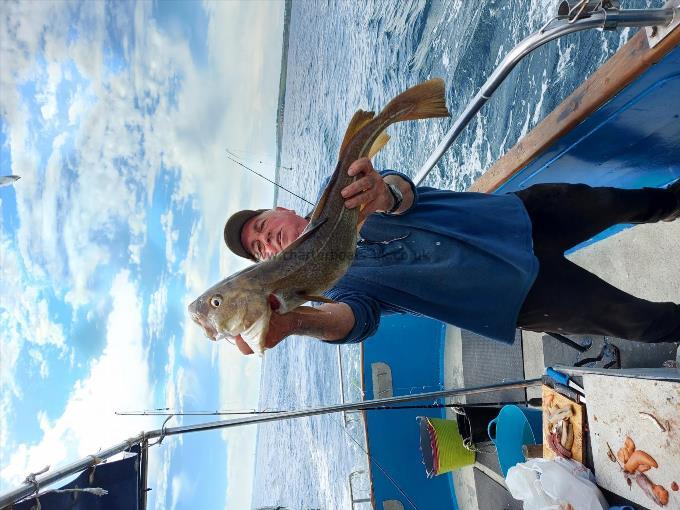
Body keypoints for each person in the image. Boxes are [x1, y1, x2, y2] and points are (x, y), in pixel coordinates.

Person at [223, 158, 680, 355]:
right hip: (517, 298)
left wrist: (386, 192)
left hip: (515, 216)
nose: (267, 241)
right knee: (640, 322)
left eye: (263, 227)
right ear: (266, 266)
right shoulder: (325, 287)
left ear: (282, 210)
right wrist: (297, 323)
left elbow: (400, 190)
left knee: (629, 202)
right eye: (258, 249)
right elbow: (356, 319)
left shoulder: (344, 194)